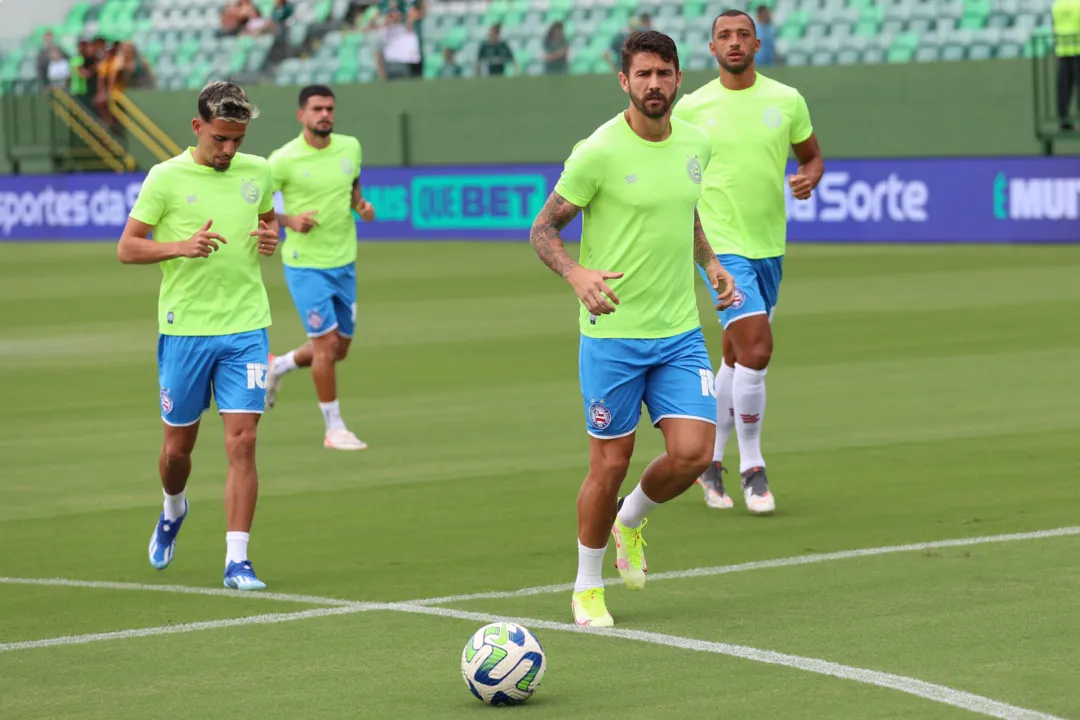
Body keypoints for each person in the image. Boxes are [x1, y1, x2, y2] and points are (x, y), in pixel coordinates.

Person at [528, 30, 735, 627]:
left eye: (662, 74)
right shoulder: (597, 151)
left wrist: (712, 261)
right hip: (612, 338)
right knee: (609, 465)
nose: (653, 85)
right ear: (624, 81)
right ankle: (587, 587)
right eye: (641, 75)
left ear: (677, 78)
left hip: (678, 333)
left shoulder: (697, 143)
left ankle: (631, 519)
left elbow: (684, 206)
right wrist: (575, 273)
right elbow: (543, 230)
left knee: (695, 454)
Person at [117, 81, 280, 590]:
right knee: (177, 452)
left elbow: (268, 221)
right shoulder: (164, 178)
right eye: (219, 139)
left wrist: (274, 236)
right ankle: (173, 508)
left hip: (246, 326)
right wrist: (180, 247)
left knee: (244, 441)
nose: (229, 150)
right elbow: (127, 248)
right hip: (185, 331)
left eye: (237, 139)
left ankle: (237, 561)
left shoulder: (259, 171)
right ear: (197, 128)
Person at [673, 10, 823, 514]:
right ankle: (752, 468)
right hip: (719, 248)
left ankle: (710, 462)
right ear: (711, 48)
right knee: (757, 349)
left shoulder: (786, 100)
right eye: (724, 36)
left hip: (769, 248)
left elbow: (811, 155)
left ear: (757, 44)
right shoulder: (691, 107)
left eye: (742, 35)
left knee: (737, 358)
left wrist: (810, 176)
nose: (734, 42)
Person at [264, 84, 375, 451]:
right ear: (302, 115)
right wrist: (288, 219)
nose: (324, 114)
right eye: (316, 109)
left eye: (329, 108)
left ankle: (276, 367)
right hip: (304, 264)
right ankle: (334, 428)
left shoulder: (351, 146)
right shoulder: (282, 160)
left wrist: (360, 205)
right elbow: (255, 206)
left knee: (339, 348)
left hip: (343, 262)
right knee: (325, 345)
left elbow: (353, 186)